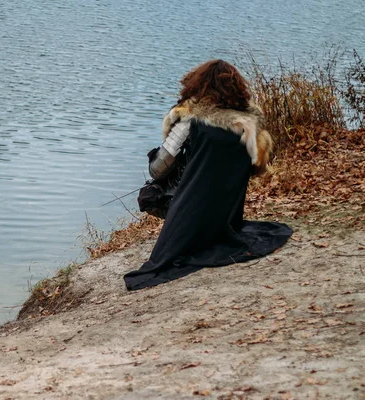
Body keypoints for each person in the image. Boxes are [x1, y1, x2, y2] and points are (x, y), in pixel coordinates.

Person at [124, 60, 293, 291]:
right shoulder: (250, 125)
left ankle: (188, 227)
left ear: (197, 86)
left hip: (191, 210)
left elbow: (157, 169)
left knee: (150, 194)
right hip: (228, 214)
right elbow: (256, 168)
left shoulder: (189, 120)